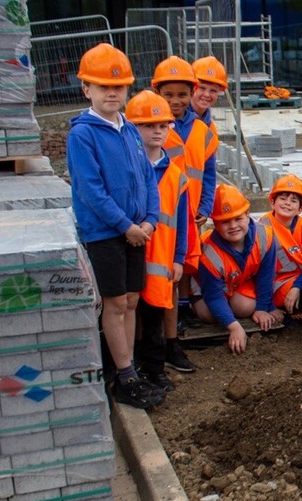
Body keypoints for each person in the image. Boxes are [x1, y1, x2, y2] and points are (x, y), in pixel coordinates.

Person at [67, 44, 161, 409]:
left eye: (118, 87)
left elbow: (147, 179)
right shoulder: (83, 135)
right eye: (102, 85)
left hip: (136, 230)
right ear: (86, 89)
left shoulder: (130, 131)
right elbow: (91, 191)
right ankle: (124, 376)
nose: (111, 92)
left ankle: (130, 368)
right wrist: (126, 226)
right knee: (116, 301)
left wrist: (150, 219)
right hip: (107, 233)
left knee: (132, 299)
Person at [152, 55, 216, 375]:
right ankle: (155, 347)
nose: (175, 101)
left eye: (181, 95)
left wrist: (204, 207)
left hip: (186, 216)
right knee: (155, 280)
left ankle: (171, 341)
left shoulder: (202, 130)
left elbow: (209, 173)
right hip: (157, 218)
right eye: (168, 95)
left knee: (177, 277)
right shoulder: (150, 126)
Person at [126, 90, 189, 397]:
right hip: (131, 253)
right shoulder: (127, 168)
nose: (157, 131)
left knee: (152, 317)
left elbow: (181, 223)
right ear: (132, 129)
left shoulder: (177, 176)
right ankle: (129, 369)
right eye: (148, 126)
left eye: (163, 126)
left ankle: (154, 369)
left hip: (160, 260)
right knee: (127, 313)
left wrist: (178, 258)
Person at [193, 184, 280, 355]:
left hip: (235, 283)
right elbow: (213, 295)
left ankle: (231, 311)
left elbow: (265, 276)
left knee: (246, 307)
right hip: (206, 289)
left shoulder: (266, 236)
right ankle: (198, 308)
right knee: (207, 315)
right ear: (215, 223)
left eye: (238, 218)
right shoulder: (208, 253)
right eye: (225, 221)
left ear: (248, 215)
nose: (233, 226)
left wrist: (264, 308)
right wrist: (234, 327)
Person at [258, 175, 302, 317]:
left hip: (301, 279)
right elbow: (259, 270)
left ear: (300, 208)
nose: (287, 203)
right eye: (283, 198)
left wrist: (297, 286)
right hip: (275, 283)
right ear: (272, 203)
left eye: (294, 201)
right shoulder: (262, 227)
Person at [189, 55, 226, 133]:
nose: (207, 95)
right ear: (191, 88)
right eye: (202, 88)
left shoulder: (210, 127)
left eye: (213, 91)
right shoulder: (176, 120)